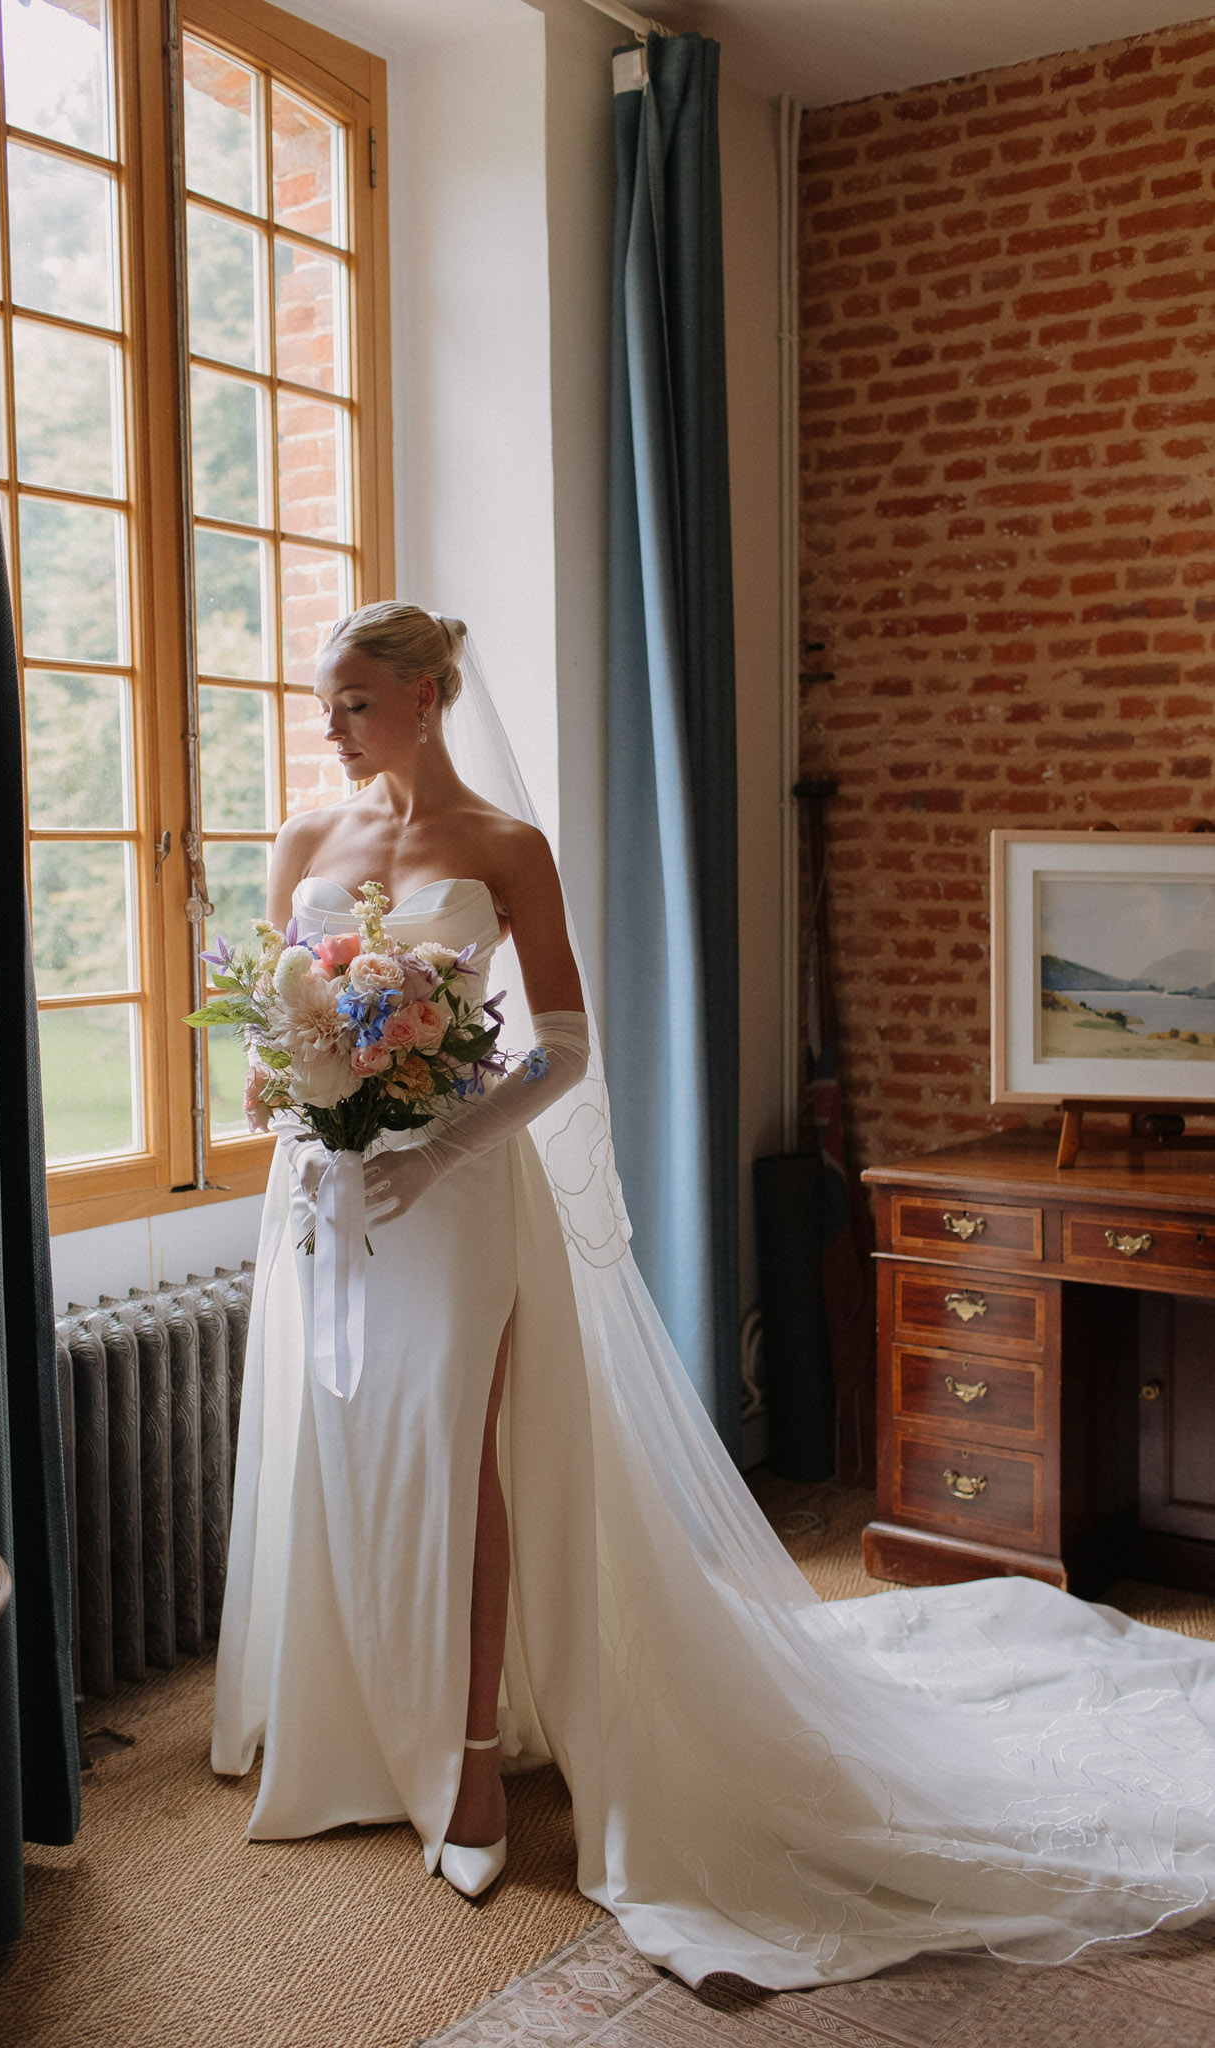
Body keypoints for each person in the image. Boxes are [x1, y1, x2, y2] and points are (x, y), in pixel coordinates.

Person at [213, 603, 1215, 1989]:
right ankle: (338, 1725)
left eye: (353, 703)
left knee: (463, 1459)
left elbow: (560, 1049)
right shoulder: (300, 842)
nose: (327, 729)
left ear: (431, 695)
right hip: (324, 1195)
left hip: (452, 1199)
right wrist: (297, 1093)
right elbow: (268, 1024)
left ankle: (470, 1766)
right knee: (340, 1449)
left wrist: (438, 1133)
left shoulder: (505, 848)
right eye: (322, 703)